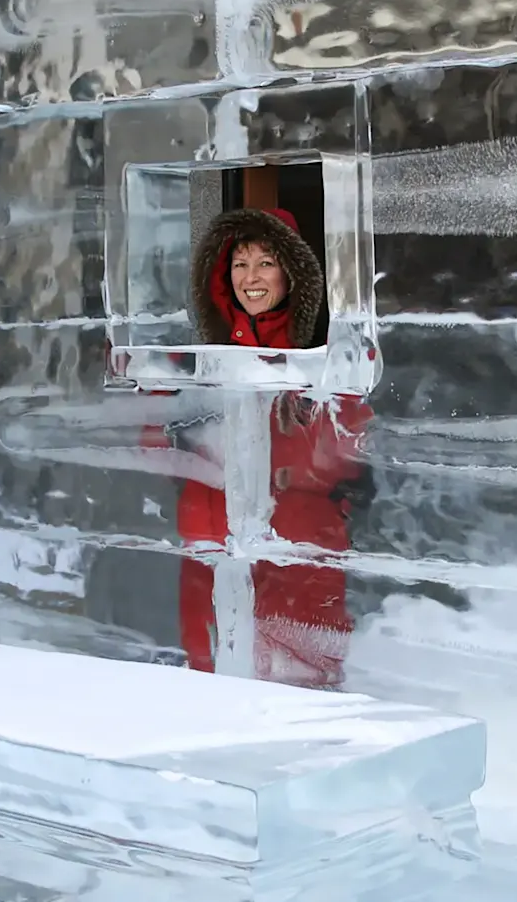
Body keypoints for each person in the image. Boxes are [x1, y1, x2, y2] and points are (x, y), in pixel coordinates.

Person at [172, 206, 372, 687]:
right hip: (210, 541)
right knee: (210, 675)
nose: (251, 277)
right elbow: (160, 433)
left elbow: (348, 448)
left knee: (299, 686)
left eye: (266, 262)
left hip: (298, 544)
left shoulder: (329, 356)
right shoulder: (199, 360)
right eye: (239, 264)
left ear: (291, 271)